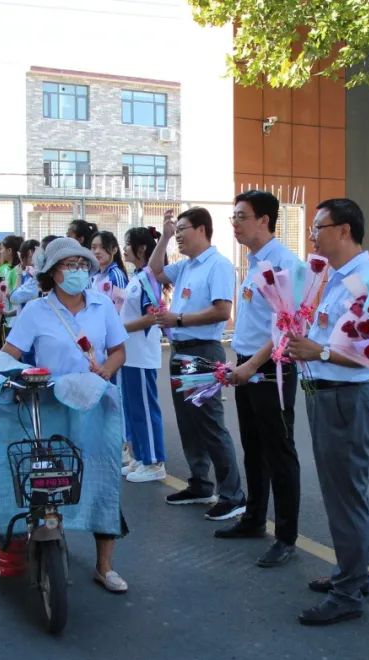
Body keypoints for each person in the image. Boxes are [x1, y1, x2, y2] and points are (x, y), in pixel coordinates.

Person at [1, 237, 131, 593]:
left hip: (96, 404)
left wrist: (106, 370)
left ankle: (104, 566)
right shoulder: (35, 311)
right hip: (50, 406)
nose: (77, 271)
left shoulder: (102, 305)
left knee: (102, 479)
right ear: (50, 272)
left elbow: (119, 349)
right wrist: (10, 377)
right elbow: (11, 352)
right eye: (68, 265)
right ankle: (45, 538)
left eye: (82, 265)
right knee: (50, 475)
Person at [284, 198, 369, 626]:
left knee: (346, 495)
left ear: (344, 230)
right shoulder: (334, 276)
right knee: (340, 493)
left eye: (319, 227)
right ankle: (353, 573)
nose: (313, 235)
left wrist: (319, 349)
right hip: (327, 394)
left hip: (347, 399)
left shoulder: (366, 280)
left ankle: (349, 591)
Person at [218, 190, 303, 569]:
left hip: (271, 369)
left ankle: (285, 536)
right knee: (253, 446)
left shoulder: (285, 263)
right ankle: (254, 517)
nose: (234, 223)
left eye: (241, 216)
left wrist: (252, 365)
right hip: (246, 365)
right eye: (234, 217)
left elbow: (288, 328)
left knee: (279, 451)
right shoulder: (254, 263)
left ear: (264, 220)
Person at [148, 207, 246, 521]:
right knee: (189, 422)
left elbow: (222, 311)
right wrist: (162, 237)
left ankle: (232, 495)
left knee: (209, 424)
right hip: (182, 351)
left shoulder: (217, 265)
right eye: (174, 231)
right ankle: (201, 484)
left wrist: (178, 317)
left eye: (181, 230)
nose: (177, 236)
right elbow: (155, 271)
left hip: (202, 353)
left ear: (202, 229)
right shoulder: (187, 265)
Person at [119, 226, 166, 483]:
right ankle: (140, 456)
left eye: (128, 243)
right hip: (129, 353)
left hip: (141, 353)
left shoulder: (148, 277)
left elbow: (152, 316)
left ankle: (154, 461)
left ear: (142, 248)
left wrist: (119, 328)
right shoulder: (135, 277)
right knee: (133, 407)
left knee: (146, 409)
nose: (124, 248)